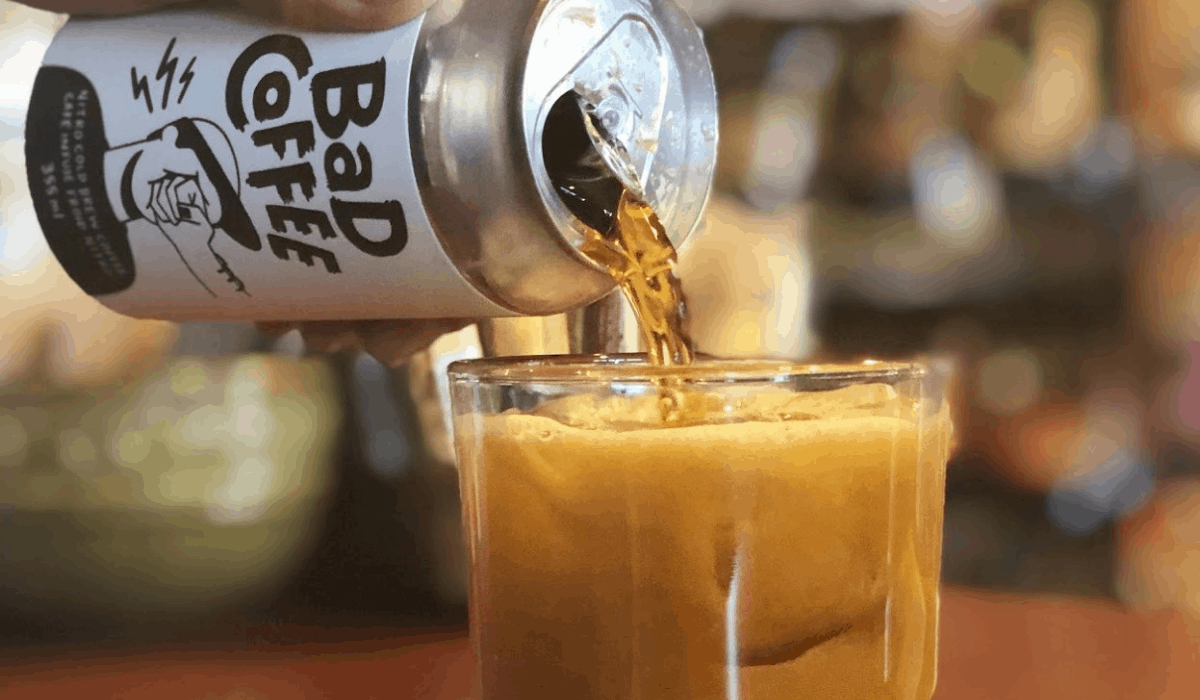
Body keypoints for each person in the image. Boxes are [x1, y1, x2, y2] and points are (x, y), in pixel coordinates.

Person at [20, 0, 468, 366]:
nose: (190, 194)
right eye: (201, 168)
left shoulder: (126, 268)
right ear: (170, 132)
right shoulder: (81, 98)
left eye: (208, 202)